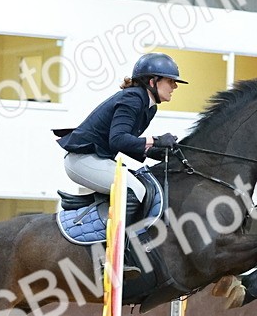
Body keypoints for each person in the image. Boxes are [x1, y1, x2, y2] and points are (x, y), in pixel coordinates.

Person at [56, 52, 186, 221]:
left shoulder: (149, 107)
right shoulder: (133, 98)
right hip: (82, 160)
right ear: (152, 81)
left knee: (142, 183)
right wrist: (155, 140)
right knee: (134, 189)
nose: (174, 86)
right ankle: (121, 243)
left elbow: (125, 143)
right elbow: (117, 140)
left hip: (96, 159)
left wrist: (151, 151)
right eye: (170, 81)